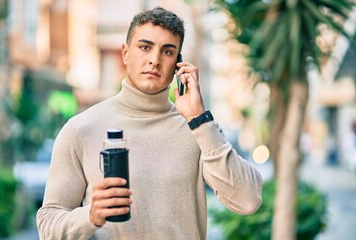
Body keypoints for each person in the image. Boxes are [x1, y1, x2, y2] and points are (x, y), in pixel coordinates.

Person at [36, 6, 262, 239]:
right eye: (145, 47)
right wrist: (90, 216)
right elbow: (48, 226)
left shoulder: (197, 128)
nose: (154, 60)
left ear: (178, 64)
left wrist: (199, 119)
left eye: (167, 51)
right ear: (125, 53)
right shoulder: (80, 130)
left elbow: (248, 201)